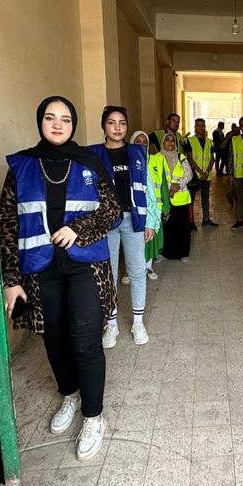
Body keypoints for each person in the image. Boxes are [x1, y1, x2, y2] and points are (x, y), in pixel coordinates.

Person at [0, 96, 120, 460]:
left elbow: (112, 210)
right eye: (50, 118)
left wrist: (78, 228)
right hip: (40, 269)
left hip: (85, 265)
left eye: (65, 119)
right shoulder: (22, 166)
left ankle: (93, 416)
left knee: (84, 340)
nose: (57, 124)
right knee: (54, 339)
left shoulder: (89, 161)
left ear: (74, 124)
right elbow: (8, 224)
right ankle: (69, 395)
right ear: (40, 122)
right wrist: (10, 279)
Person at [89, 106, 159, 348]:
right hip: (106, 221)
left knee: (137, 272)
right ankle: (112, 324)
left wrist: (151, 221)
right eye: (111, 122)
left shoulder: (137, 152)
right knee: (109, 273)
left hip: (133, 219)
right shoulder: (94, 154)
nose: (117, 127)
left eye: (122, 122)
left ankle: (138, 323)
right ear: (104, 126)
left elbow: (148, 188)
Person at [131, 131, 166, 281]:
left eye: (144, 141)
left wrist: (164, 207)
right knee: (132, 240)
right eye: (137, 141)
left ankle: (148, 266)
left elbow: (159, 187)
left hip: (151, 209)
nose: (141, 144)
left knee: (149, 239)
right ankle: (131, 270)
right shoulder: (127, 161)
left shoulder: (153, 161)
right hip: (132, 208)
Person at [159, 132, 194, 261]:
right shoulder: (157, 158)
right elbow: (156, 176)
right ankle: (166, 253)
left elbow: (188, 174)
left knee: (183, 227)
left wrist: (178, 185)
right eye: (167, 140)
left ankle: (183, 253)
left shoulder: (181, 157)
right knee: (167, 227)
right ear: (162, 142)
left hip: (181, 199)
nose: (170, 142)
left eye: (173, 140)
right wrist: (169, 188)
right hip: (164, 199)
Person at [186, 118, 217, 226]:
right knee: (191, 199)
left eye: (202, 125)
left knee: (205, 198)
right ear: (195, 127)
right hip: (194, 175)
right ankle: (191, 222)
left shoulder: (209, 142)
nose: (200, 128)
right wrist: (201, 172)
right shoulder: (190, 141)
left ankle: (206, 220)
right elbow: (190, 158)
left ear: (204, 127)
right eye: (198, 125)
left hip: (206, 176)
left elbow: (212, 159)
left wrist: (207, 172)